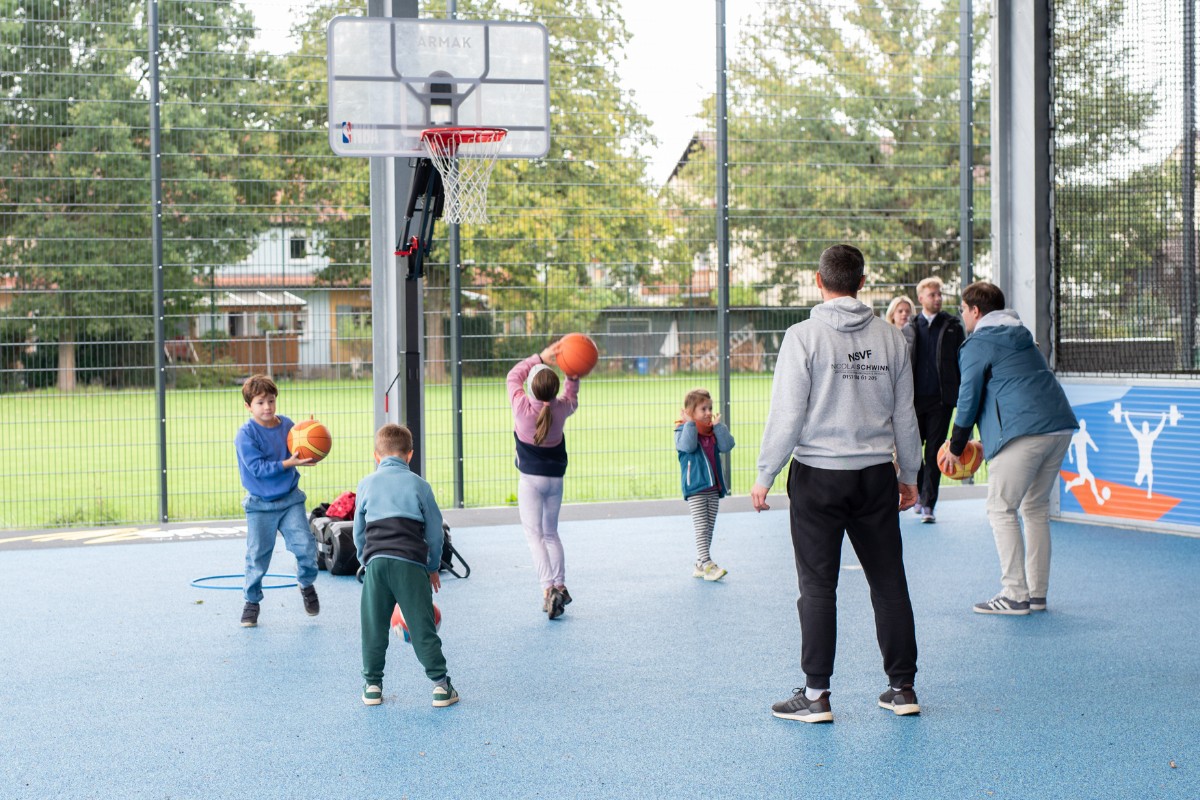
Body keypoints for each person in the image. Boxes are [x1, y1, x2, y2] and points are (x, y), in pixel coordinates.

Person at [750, 243, 923, 724]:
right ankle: (902, 688)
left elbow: (787, 413)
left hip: (818, 478)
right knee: (889, 583)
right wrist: (909, 476)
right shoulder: (892, 338)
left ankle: (817, 695)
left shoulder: (802, 337)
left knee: (817, 587)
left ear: (818, 280)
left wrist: (766, 473)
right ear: (862, 283)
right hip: (874, 477)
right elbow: (904, 416)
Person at [939, 281, 1077, 616]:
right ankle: (1037, 594)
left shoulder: (978, 343)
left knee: (1001, 509)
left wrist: (956, 447)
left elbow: (968, 398)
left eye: (962, 310)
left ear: (975, 311)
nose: (962, 316)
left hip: (1024, 433)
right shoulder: (1022, 336)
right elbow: (1013, 389)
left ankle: (1015, 594)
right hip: (1058, 426)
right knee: (1035, 509)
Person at [352, 423, 457, 708]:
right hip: (410, 565)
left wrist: (366, 559)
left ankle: (372, 686)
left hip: (376, 564)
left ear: (377, 456)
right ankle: (440, 687)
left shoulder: (365, 484)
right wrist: (432, 566)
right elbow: (435, 533)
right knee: (422, 626)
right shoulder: (420, 486)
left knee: (373, 627)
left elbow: (358, 530)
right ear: (409, 455)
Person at [234, 374, 320, 628]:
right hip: (260, 505)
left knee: (306, 548)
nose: (267, 407)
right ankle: (252, 601)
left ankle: (306, 584)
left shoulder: (289, 426)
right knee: (257, 557)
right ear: (248, 406)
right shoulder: (246, 435)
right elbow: (258, 469)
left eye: (271, 400)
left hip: (290, 500)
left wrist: (310, 442)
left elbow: (301, 451)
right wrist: (289, 463)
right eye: (260, 402)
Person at [508, 340, 581, 620]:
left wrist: (540, 357)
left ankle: (547, 588)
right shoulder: (561, 409)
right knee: (551, 534)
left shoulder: (522, 408)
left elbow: (513, 376)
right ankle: (560, 585)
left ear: (530, 389)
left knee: (534, 536)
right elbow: (571, 397)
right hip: (555, 481)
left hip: (530, 481)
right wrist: (572, 373)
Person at [903, 276, 965, 523]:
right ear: (921, 298)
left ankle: (929, 504)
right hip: (914, 402)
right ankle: (916, 496)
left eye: (939, 294)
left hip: (941, 402)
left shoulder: (952, 326)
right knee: (914, 454)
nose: (938, 298)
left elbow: (962, 362)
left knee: (934, 455)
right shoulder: (909, 327)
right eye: (932, 295)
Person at [674, 388, 736, 581]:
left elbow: (727, 446)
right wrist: (690, 423)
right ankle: (707, 563)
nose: (709, 412)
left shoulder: (712, 433)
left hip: (713, 488)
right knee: (701, 527)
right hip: (696, 488)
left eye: (710, 408)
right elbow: (689, 446)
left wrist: (719, 427)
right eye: (703, 409)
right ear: (691, 413)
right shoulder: (682, 431)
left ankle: (700, 564)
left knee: (709, 527)